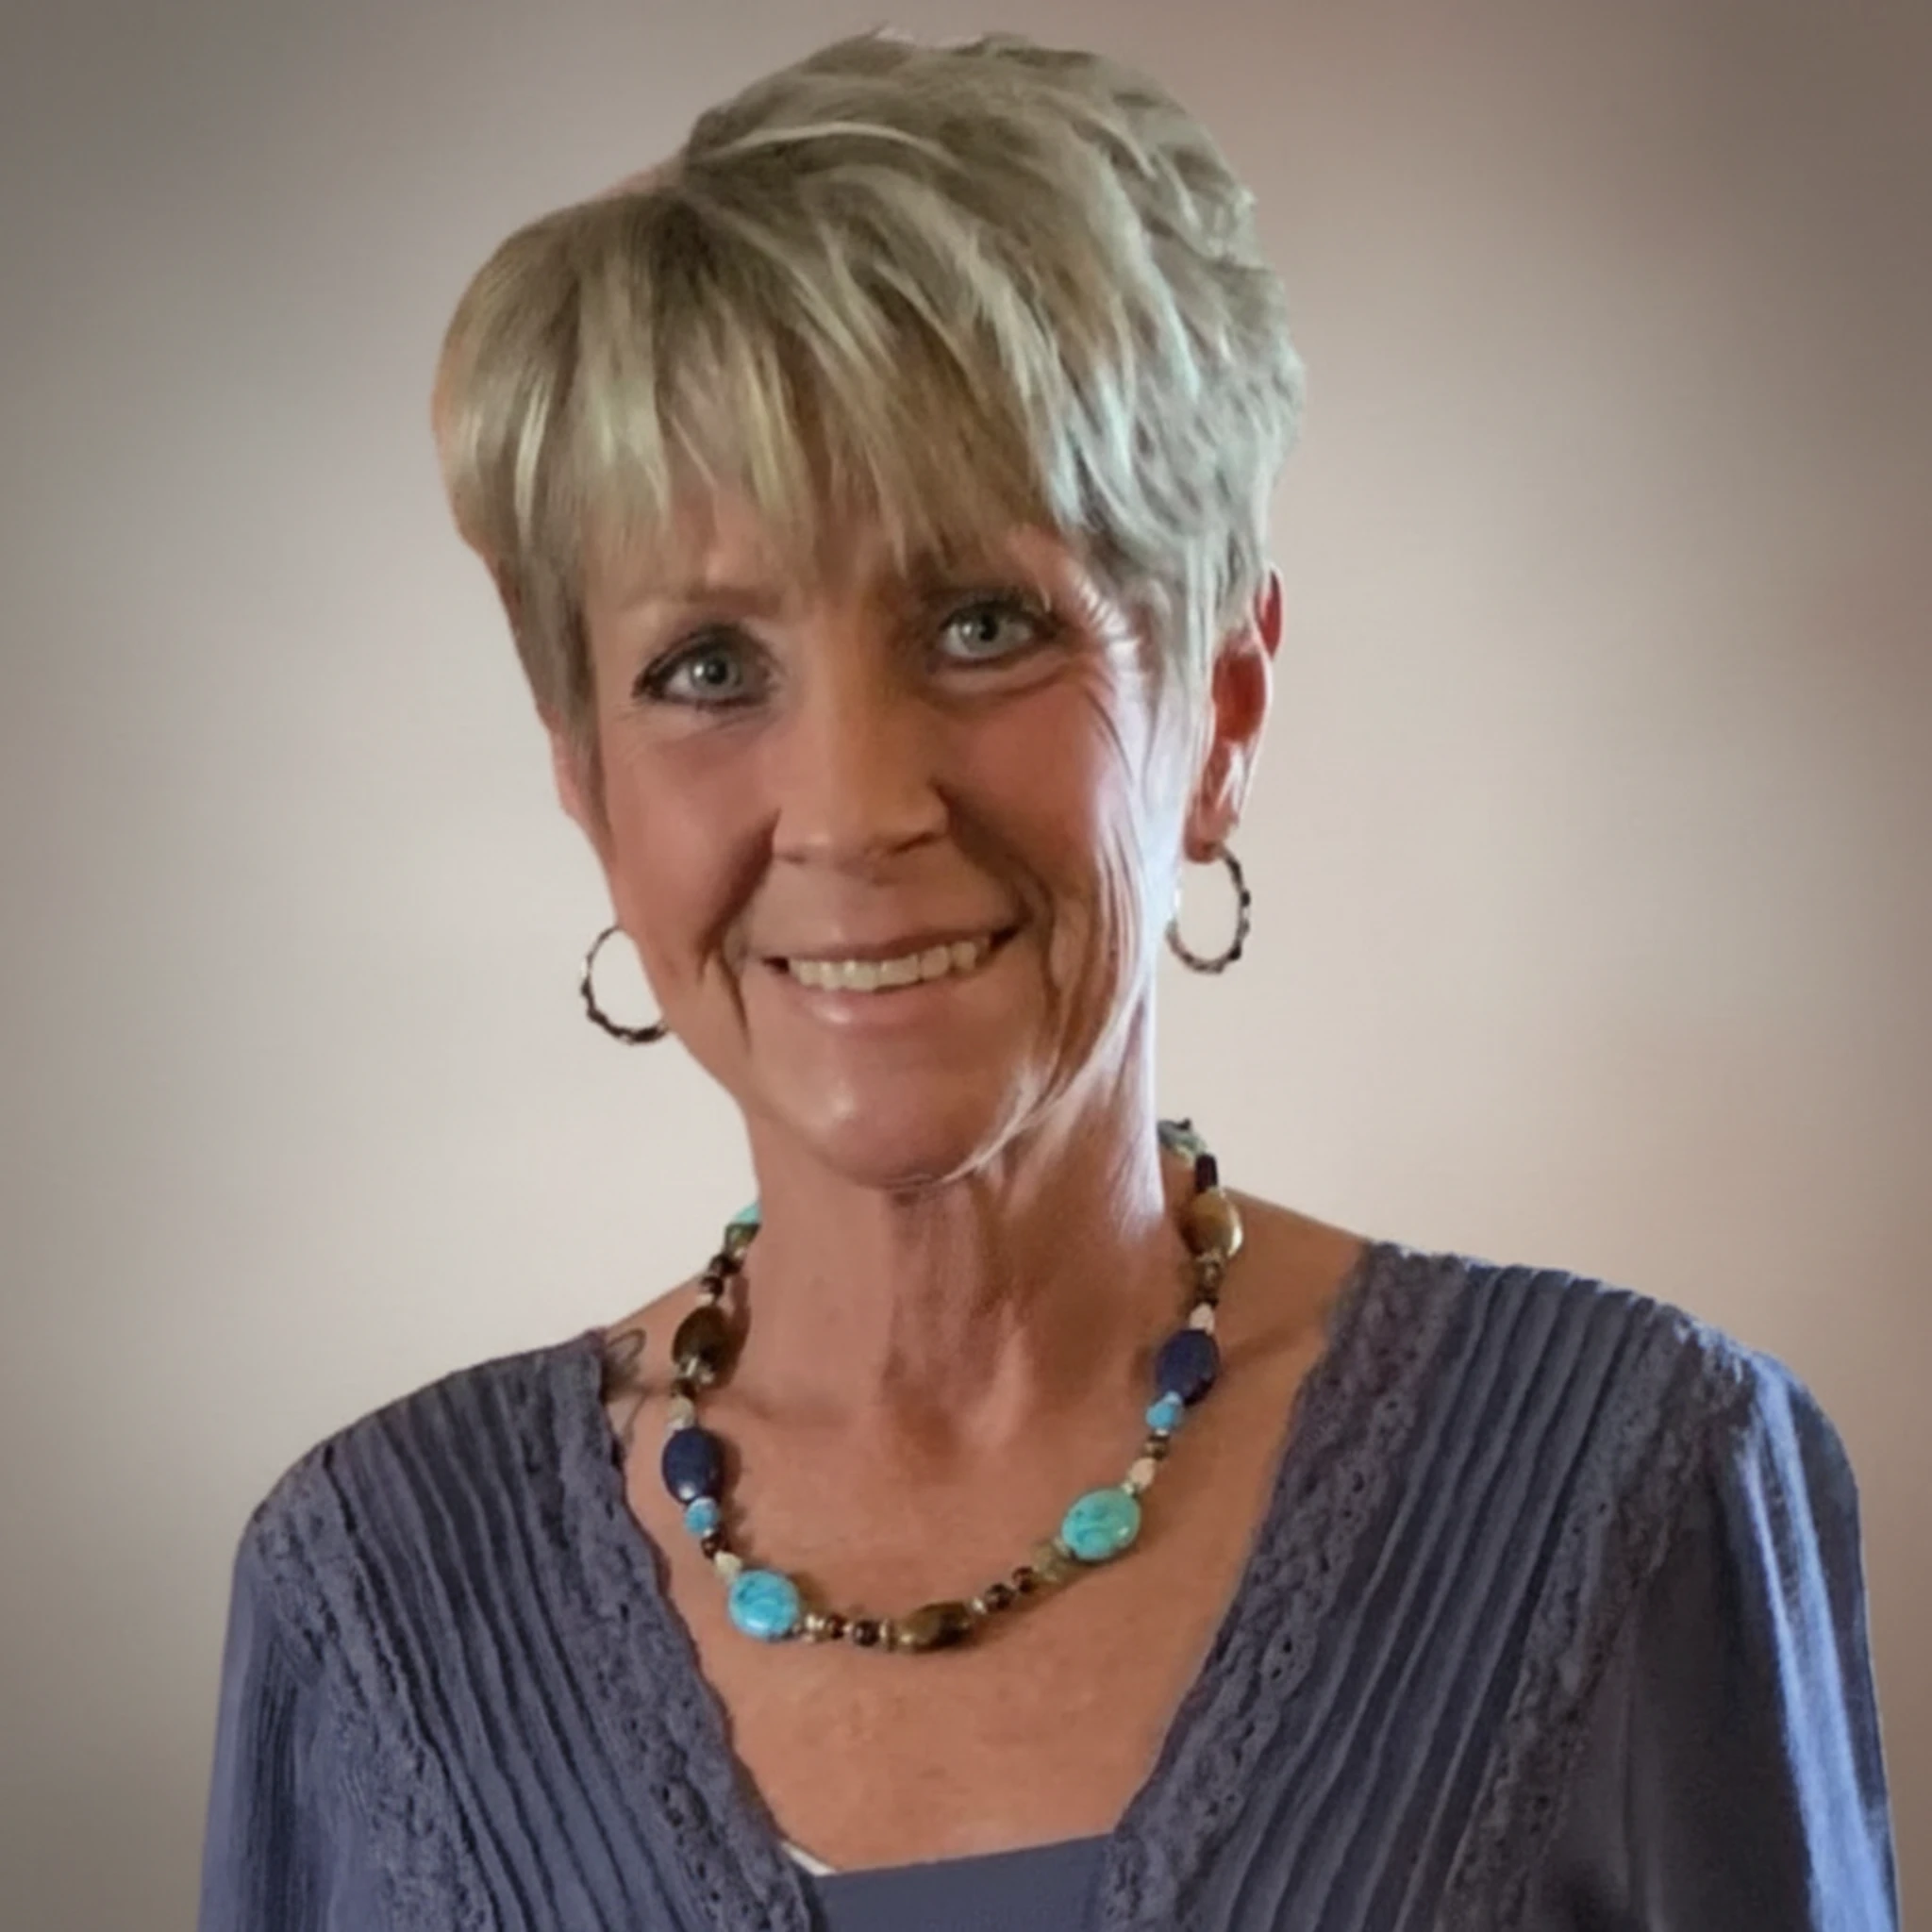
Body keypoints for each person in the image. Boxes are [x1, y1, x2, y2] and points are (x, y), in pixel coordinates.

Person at [197, 28, 1898, 1931]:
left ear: (1219, 706)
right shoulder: (374, 1599)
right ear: (584, 777)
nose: (851, 807)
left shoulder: (1627, 1479)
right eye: (705, 668)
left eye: (983, 624)